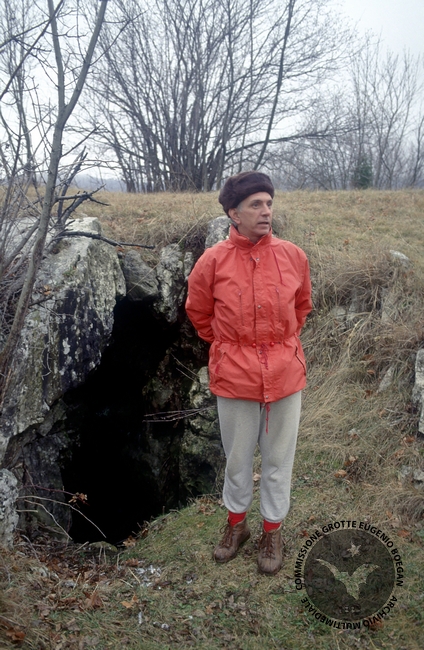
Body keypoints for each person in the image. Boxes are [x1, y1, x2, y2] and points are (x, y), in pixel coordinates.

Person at [185, 171, 312, 575]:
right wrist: (230, 347)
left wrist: (278, 345)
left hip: (285, 375)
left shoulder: (293, 256)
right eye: (256, 204)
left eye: (269, 203)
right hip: (235, 377)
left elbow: (302, 307)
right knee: (237, 459)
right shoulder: (212, 261)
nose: (266, 211)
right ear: (233, 213)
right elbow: (198, 312)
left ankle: (272, 531)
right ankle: (236, 526)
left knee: (278, 460)